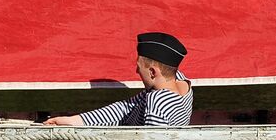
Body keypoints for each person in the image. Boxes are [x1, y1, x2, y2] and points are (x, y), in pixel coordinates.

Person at [45, 32, 193, 126]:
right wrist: (73, 121)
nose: (136, 71)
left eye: (139, 68)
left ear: (153, 72)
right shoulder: (182, 83)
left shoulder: (158, 101)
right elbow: (125, 108)